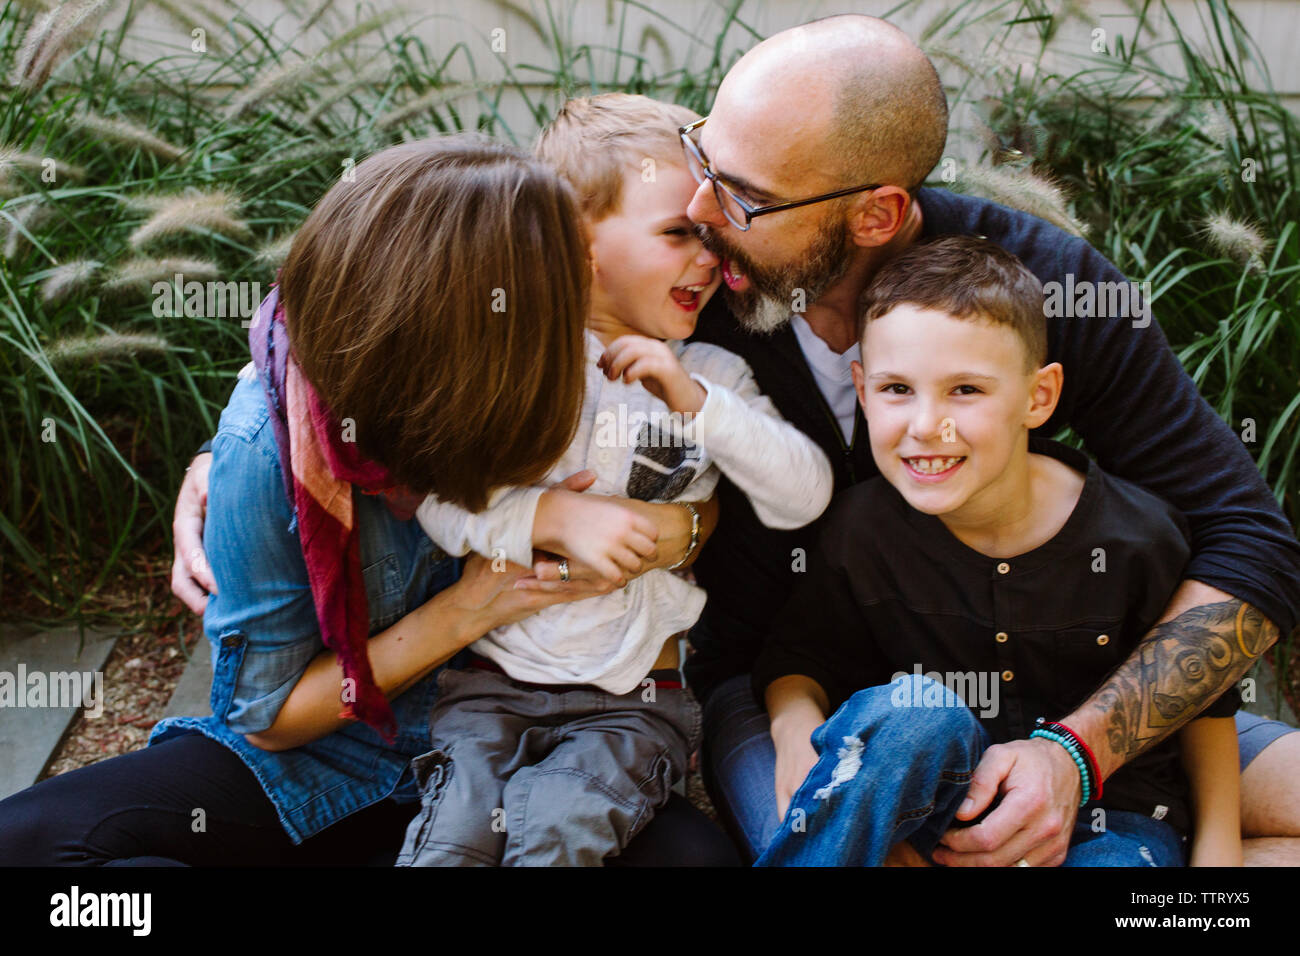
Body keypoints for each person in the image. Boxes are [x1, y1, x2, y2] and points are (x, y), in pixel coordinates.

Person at [0, 135, 736, 866]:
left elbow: (689, 472)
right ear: (464, 335)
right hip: (334, 749)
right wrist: (475, 605)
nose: (580, 301)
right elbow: (271, 718)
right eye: (557, 298)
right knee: (29, 845)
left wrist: (678, 528)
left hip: (522, 735)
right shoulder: (271, 439)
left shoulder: (562, 328)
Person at [675, 13, 1300, 866]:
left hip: (1045, 697)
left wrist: (1077, 753)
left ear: (878, 212)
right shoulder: (693, 282)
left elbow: (1249, 544)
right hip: (795, 697)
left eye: (743, 194)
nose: (697, 209)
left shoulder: (1038, 290)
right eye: (699, 155)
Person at [397, 94, 832, 866]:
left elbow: (805, 496)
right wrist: (546, 517)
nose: (710, 259)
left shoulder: (711, 374)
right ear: (574, 241)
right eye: (677, 235)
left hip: (632, 701)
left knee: (558, 832)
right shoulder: (520, 366)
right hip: (489, 686)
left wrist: (702, 407)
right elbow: (441, 505)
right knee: (451, 840)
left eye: (711, 236)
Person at [752, 235, 1241, 866]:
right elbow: (800, 657)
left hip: (1106, 822)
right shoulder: (862, 529)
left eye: (966, 391)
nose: (928, 425)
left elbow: (1201, 695)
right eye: (897, 388)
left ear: (1037, 397)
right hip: (936, 811)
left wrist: (1219, 853)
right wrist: (794, 733)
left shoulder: (1136, 535)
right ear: (863, 391)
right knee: (916, 711)